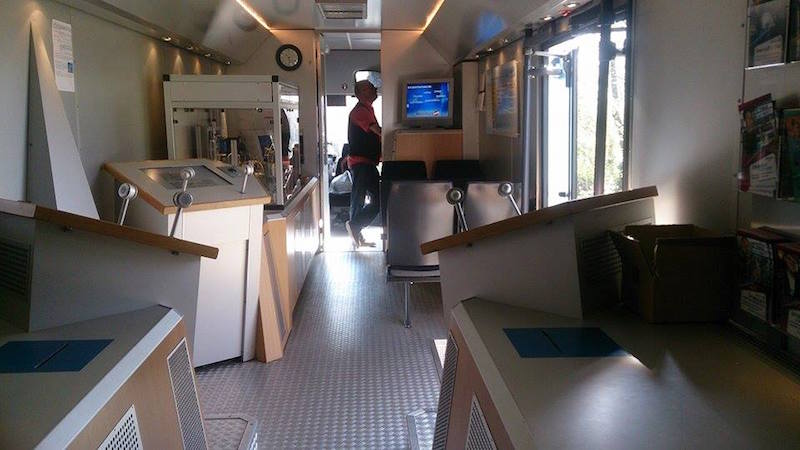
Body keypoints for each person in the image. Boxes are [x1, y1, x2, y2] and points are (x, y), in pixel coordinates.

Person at [346, 80, 381, 248]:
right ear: (360, 93)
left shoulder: (367, 109)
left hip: (365, 163)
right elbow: (377, 131)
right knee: (376, 201)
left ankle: (356, 234)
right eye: (370, 88)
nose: (374, 89)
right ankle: (355, 226)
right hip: (362, 163)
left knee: (359, 200)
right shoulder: (360, 111)